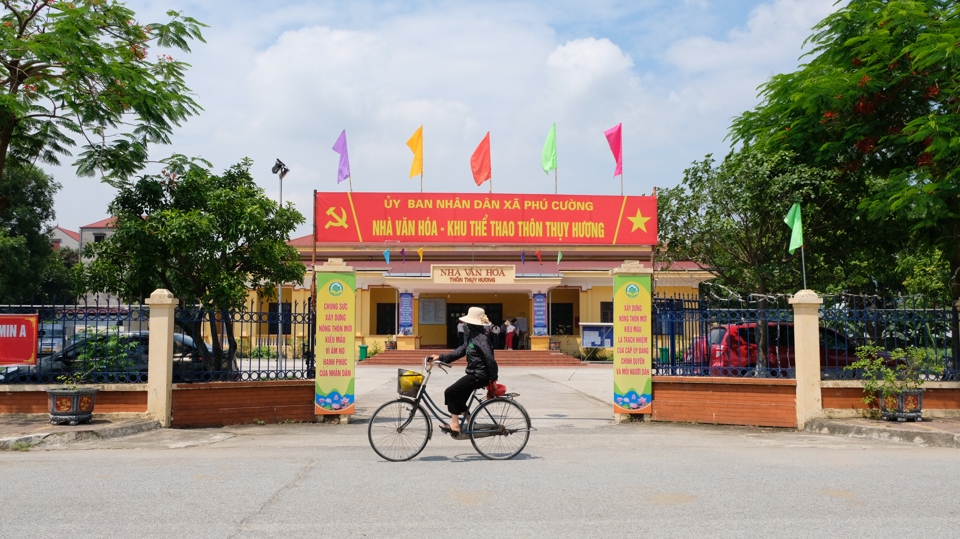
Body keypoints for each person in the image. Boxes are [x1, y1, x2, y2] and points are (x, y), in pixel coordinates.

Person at [428, 307, 498, 434]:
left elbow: (490, 359)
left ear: (472, 324)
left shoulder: (481, 339)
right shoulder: (472, 338)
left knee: (451, 392)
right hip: (474, 373)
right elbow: (458, 352)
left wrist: (493, 378)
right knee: (459, 399)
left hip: (479, 375)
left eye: (468, 323)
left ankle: (455, 425)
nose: (466, 325)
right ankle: (472, 423)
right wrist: (440, 357)